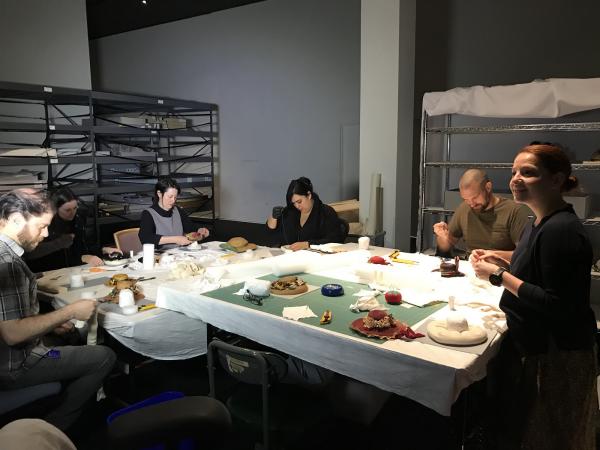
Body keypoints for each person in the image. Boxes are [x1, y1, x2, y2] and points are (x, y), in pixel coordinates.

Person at [470, 143, 597, 449]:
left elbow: (556, 304)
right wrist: (499, 256)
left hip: (557, 354)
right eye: (514, 171)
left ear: (556, 180)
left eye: (528, 173)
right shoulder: (538, 221)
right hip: (537, 344)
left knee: (551, 435)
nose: (515, 178)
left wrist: (498, 275)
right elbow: (532, 258)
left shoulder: (562, 230)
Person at [0, 190, 116, 431]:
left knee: (71, 338)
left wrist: (51, 323)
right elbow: (12, 333)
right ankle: (54, 428)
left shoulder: (8, 254)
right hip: (20, 364)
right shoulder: (7, 262)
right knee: (103, 356)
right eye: (41, 227)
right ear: (15, 219)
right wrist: (70, 311)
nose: (45, 235)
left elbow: (10, 318)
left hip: (19, 353)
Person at [433, 168, 529, 258]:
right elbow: (446, 246)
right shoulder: (465, 208)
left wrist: (491, 255)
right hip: (471, 269)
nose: (471, 203)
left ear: (488, 187)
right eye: (466, 199)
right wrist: (442, 237)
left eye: (475, 197)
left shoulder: (513, 211)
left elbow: (525, 254)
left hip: (500, 271)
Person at [25, 187, 118, 272]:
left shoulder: (78, 219)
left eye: (75, 208)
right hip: (48, 271)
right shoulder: (46, 225)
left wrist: (103, 250)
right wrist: (81, 258)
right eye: (67, 210)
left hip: (74, 269)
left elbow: (83, 247)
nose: (72, 213)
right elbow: (46, 259)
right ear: (55, 209)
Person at [266, 177, 345, 250]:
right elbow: (270, 231)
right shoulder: (291, 211)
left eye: (299, 202)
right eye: (294, 203)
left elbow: (336, 239)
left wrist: (308, 244)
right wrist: (273, 217)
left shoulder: (326, 212)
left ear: (309, 195)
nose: (297, 206)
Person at [138, 176, 209, 249]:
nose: (173, 201)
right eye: (170, 196)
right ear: (159, 194)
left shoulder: (177, 210)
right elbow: (146, 238)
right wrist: (175, 239)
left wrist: (199, 231)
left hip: (179, 253)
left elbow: (190, 228)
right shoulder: (148, 214)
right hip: (160, 256)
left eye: (175, 197)